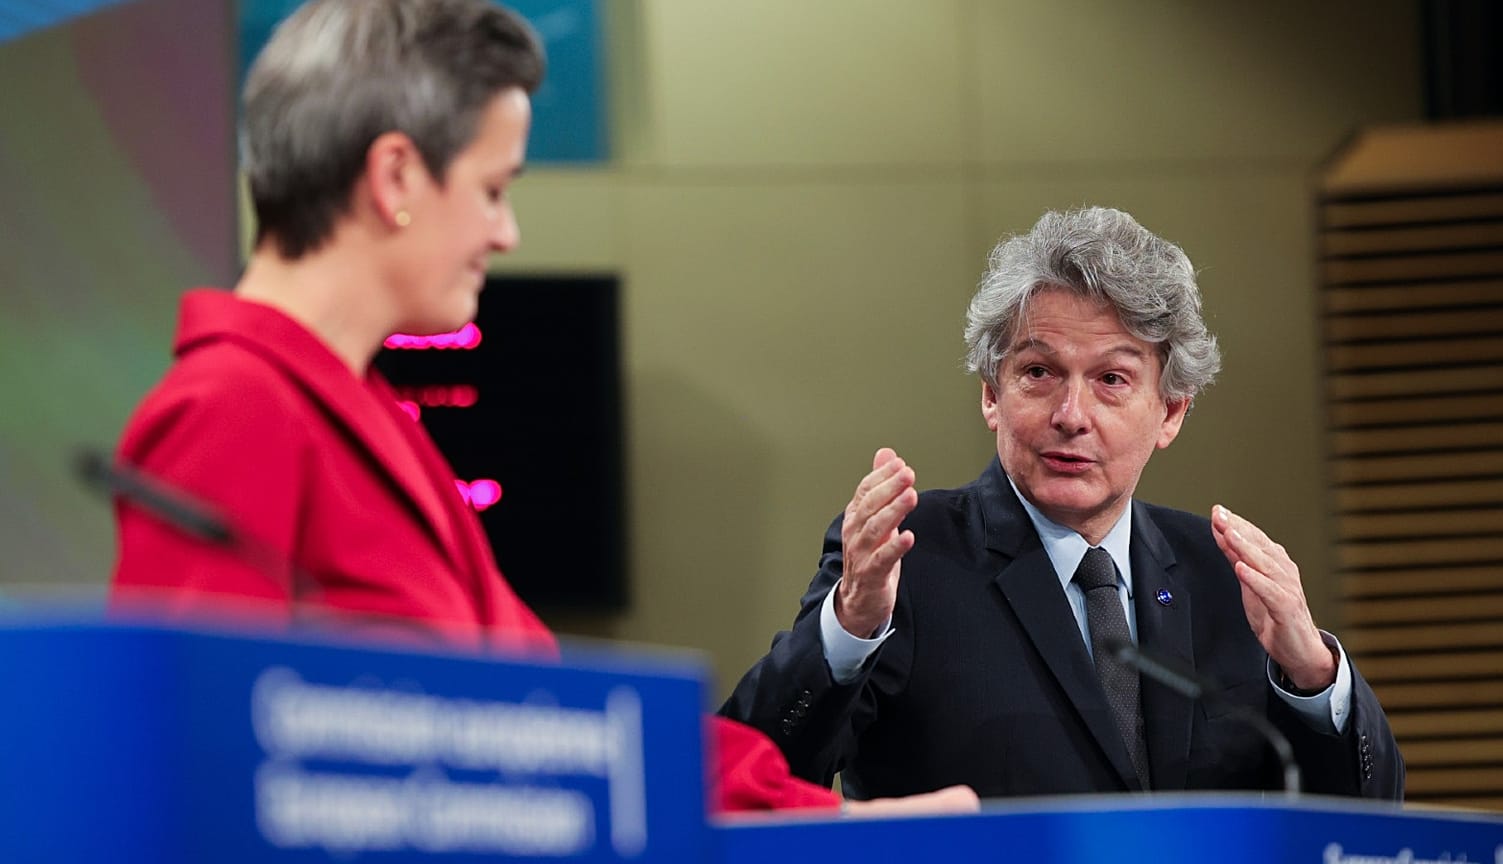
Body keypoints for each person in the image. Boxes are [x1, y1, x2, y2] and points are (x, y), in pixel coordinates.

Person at [108, 0, 975, 818]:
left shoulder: (370, 428)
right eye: (493, 188)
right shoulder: (231, 411)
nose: (506, 231)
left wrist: (839, 823)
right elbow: (189, 790)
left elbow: (571, 723)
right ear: (396, 175)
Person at [721, 206, 1405, 802]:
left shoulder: (1225, 575)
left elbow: (1368, 826)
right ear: (993, 393)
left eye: (1111, 379)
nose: (1071, 415)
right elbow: (749, 780)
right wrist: (848, 629)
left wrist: (1314, 675)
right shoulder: (910, 557)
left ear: (1170, 412)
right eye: (1039, 373)